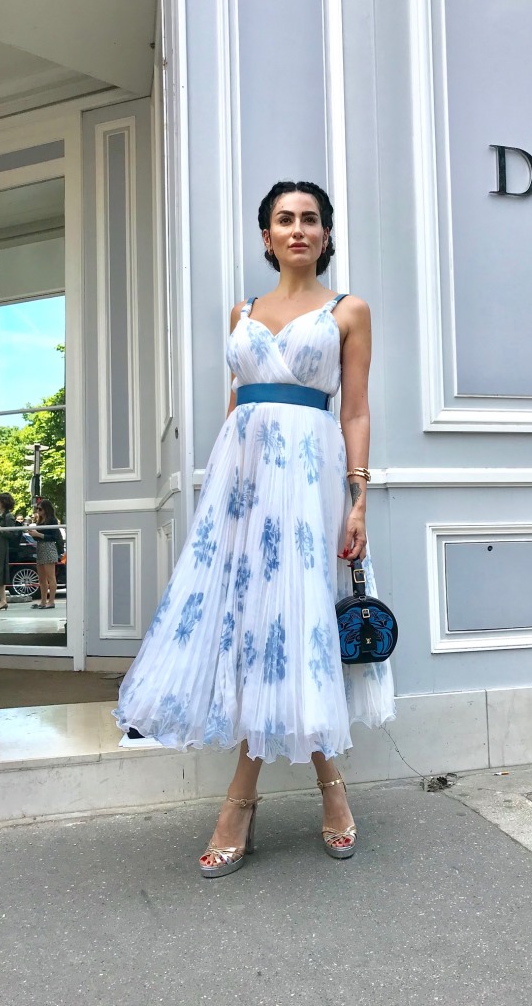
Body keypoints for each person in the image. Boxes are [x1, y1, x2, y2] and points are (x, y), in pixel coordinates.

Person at [115, 179, 396, 878]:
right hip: (241, 485)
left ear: (326, 234)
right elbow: (237, 407)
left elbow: (355, 410)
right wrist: (222, 491)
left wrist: (358, 499)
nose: (298, 229)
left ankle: (245, 802)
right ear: (266, 236)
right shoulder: (242, 310)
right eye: (284, 219)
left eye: (310, 219)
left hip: (308, 479)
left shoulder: (348, 309)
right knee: (251, 630)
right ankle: (325, 791)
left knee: (294, 623)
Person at [27, 498, 61, 609]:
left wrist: (38, 534)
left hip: (49, 547)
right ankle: (42, 601)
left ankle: (51, 601)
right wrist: (33, 534)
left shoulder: (52, 520)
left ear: (46, 509)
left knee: (51, 576)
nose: (38, 511)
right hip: (40, 548)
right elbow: (39, 537)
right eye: (37, 509)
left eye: (40, 509)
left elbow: (54, 537)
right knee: (41, 578)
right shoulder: (40, 521)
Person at [0, 492, 17, 611]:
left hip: (1, 547)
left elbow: (12, 534)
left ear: (4, 503)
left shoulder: (8, 516)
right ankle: (3, 600)